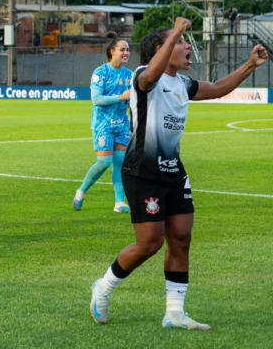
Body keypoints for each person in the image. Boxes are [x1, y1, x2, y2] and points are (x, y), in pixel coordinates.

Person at [89, 18, 268, 330]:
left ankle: (174, 313)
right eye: (183, 44)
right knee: (149, 243)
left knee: (181, 237)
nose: (188, 48)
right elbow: (151, 75)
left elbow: (217, 89)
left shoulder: (182, 83)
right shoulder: (143, 76)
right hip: (143, 171)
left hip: (173, 170)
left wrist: (250, 64)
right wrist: (174, 33)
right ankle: (103, 287)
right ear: (162, 48)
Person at [73, 32, 132, 213]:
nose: (126, 53)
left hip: (122, 124)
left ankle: (119, 202)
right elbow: (96, 99)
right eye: (122, 49)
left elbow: (132, 100)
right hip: (103, 125)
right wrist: (121, 97)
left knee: (120, 163)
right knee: (104, 163)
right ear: (112, 51)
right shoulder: (100, 73)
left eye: (128, 50)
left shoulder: (129, 74)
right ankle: (81, 192)